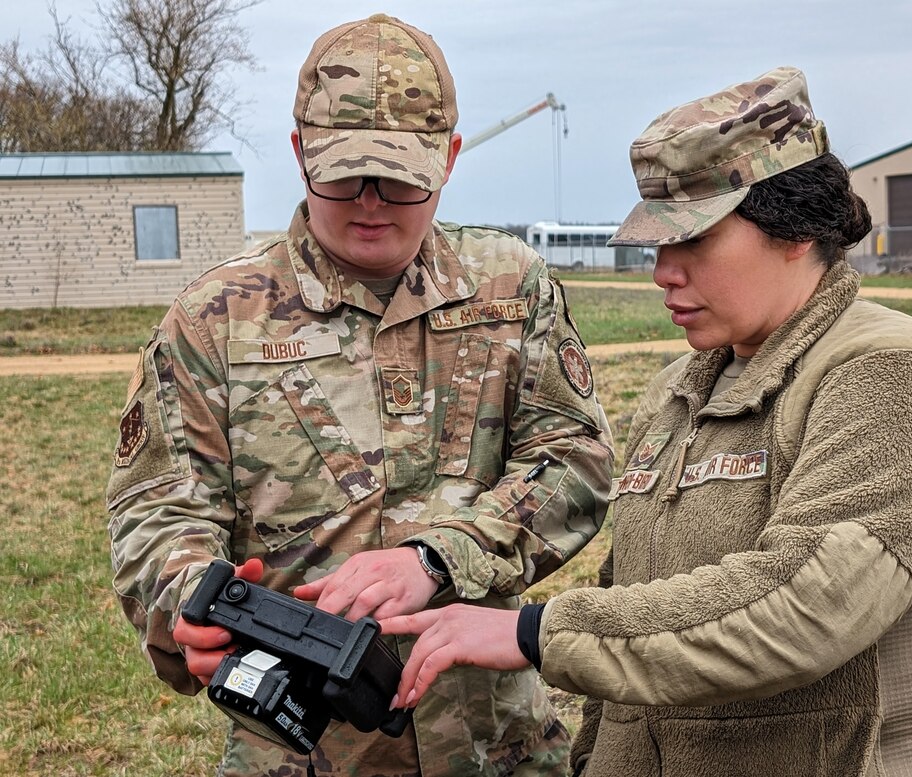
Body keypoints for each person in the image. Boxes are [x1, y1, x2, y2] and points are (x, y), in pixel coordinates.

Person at [380, 66, 912, 776]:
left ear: (795, 228)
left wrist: (539, 632)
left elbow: (805, 609)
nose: (662, 272)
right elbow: (635, 612)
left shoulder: (894, 375)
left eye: (693, 241)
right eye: (656, 245)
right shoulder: (682, 388)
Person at [106, 13, 613, 777]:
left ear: (448, 159)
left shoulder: (513, 289)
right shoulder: (217, 317)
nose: (371, 200)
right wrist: (186, 599)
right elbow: (159, 506)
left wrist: (441, 556)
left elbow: (574, 458)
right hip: (299, 748)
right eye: (343, 173)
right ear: (299, 151)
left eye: (401, 177)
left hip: (492, 746)